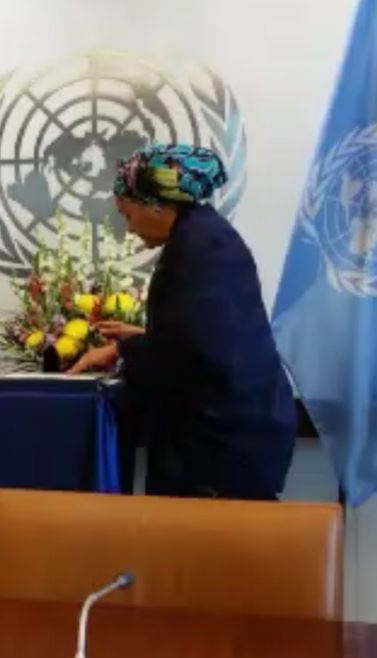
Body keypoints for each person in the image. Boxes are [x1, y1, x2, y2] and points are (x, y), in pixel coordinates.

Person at [70, 144, 295, 499]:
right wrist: (144, 336)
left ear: (156, 203)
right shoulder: (204, 236)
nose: (128, 230)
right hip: (237, 437)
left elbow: (191, 351)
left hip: (222, 450)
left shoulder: (199, 249)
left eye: (127, 216)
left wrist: (121, 349)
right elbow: (209, 334)